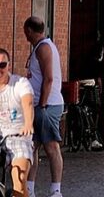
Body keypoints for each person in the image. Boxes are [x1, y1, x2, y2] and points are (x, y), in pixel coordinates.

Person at [23, 16, 64, 197]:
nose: (25, 35)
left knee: (51, 147)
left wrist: (42, 105)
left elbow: (49, 79)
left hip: (47, 105)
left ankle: (56, 191)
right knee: (32, 147)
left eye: (26, 32)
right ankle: (29, 190)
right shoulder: (40, 47)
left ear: (30, 30)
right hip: (40, 105)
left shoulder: (44, 48)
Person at [0, 48, 35, 197]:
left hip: (18, 136)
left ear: (9, 65)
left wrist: (28, 123)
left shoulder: (20, 83)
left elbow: (27, 102)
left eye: (2, 65)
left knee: (19, 179)